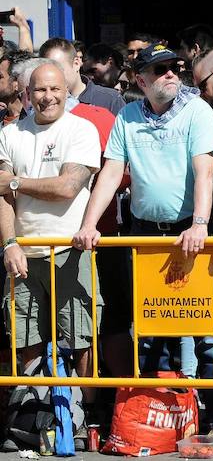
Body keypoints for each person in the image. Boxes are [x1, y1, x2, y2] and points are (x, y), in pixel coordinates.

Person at [73, 43, 213, 374]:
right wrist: (89, 224)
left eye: (175, 68)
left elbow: (204, 171)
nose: (171, 74)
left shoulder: (197, 111)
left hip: (189, 231)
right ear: (141, 81)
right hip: (145, 233)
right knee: (152, 326)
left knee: (204, 329)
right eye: (160, 69)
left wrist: (199, 224)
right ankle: (157, 412)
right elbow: (110, 172)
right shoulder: (127, 115)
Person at [0, 61, 101, 408]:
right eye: (40, 90)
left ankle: (89, 417)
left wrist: (16, 182)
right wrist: (10, 243)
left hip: (70, 252)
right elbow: (2, 198)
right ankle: (33, 414)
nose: (48, 97)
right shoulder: (10, 133)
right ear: (27, 94)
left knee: (81, 340)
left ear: (65, 90)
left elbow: (67, 187)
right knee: (25, 340)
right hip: (24, 254)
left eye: (55, 89)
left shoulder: (82, 130)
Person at [39, 39, 125, 115]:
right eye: (47, 72)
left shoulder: (110, 99)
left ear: (76, 64)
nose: (52, 77)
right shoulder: (44, 103)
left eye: (58, 69)